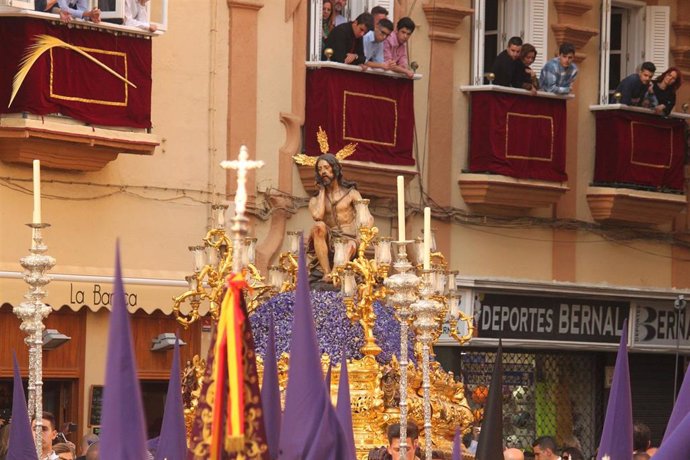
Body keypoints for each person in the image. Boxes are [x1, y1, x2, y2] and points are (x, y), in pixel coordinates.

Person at [308, 153, 372, 281]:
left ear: (335, 169)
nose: (323, 172)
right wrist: (321, 191)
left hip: (351, 239)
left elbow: (368, 218)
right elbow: (317, 216)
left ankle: (336, 273)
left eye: (326, 168)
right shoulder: (315, 200)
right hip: (330, 239)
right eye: (320, 169)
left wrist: (360, 238)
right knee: (318, 227)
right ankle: (326, 272)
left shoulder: (351, 194)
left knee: (348, 246)